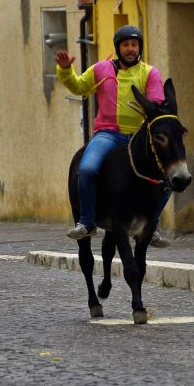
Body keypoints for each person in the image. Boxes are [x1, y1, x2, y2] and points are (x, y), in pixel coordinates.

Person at [55, 25, 171, 247]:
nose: (130, 49)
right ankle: (87, 223)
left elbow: (156, 100)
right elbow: (79, 87)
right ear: (118, 48)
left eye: (134, 45)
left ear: (140, 48)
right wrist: (65, 70)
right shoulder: (100, 69)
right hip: (108, 134)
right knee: (87, 169)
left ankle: (152, 226)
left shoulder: (150, 73)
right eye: (125, 45)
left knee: (167, 179)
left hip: (140, 138)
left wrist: (154, 104)